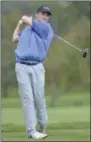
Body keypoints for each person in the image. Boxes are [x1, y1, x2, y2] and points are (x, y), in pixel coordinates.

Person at [12, 5, 54, 140]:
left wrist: (24, 19)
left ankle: (41, 126)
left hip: (37, 67)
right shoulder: (28, 29)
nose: (45, 16)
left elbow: (25, 18)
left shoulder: (46, 28)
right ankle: (31, 131)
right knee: (27, 99)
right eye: (43, 13)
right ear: (37, 14)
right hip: (21, 66)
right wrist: (19, 24)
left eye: (47, 15)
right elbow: (14, 38)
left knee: (39, 98)